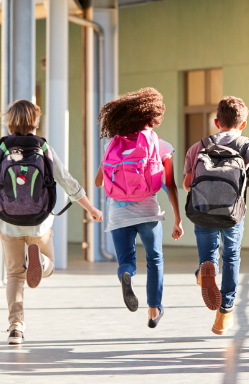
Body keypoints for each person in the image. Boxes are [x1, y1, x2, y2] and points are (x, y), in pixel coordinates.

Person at [0, 100, 103, 345]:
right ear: (35, 122)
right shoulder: (44, 148)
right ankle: (39, 260)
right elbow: (67, 182)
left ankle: (15, 329)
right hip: (39, 223)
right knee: (47, 266)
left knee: (14, 276)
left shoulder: (1, 149)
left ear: (10, 121)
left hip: (7, 222)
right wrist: (91, 208)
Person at [95, 87, 183, 328]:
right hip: (148, 212)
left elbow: (98, 181)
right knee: (154, 259)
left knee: (126, 260)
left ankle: (127, 274)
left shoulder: (113, 144)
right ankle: (154, 309)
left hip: (119, 214)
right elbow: (170, 185)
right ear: (149, 116)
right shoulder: (160, 145)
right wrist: (177, 219)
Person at [183, 96, 249, 335]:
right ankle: (225, 311)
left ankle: (204, 273)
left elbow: (187, 183)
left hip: (202, 211)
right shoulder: (246, 144)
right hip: (233, 212)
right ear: (242, 124)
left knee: (209, 254)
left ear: (216, 121)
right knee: (231, 256)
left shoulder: (198, 146)